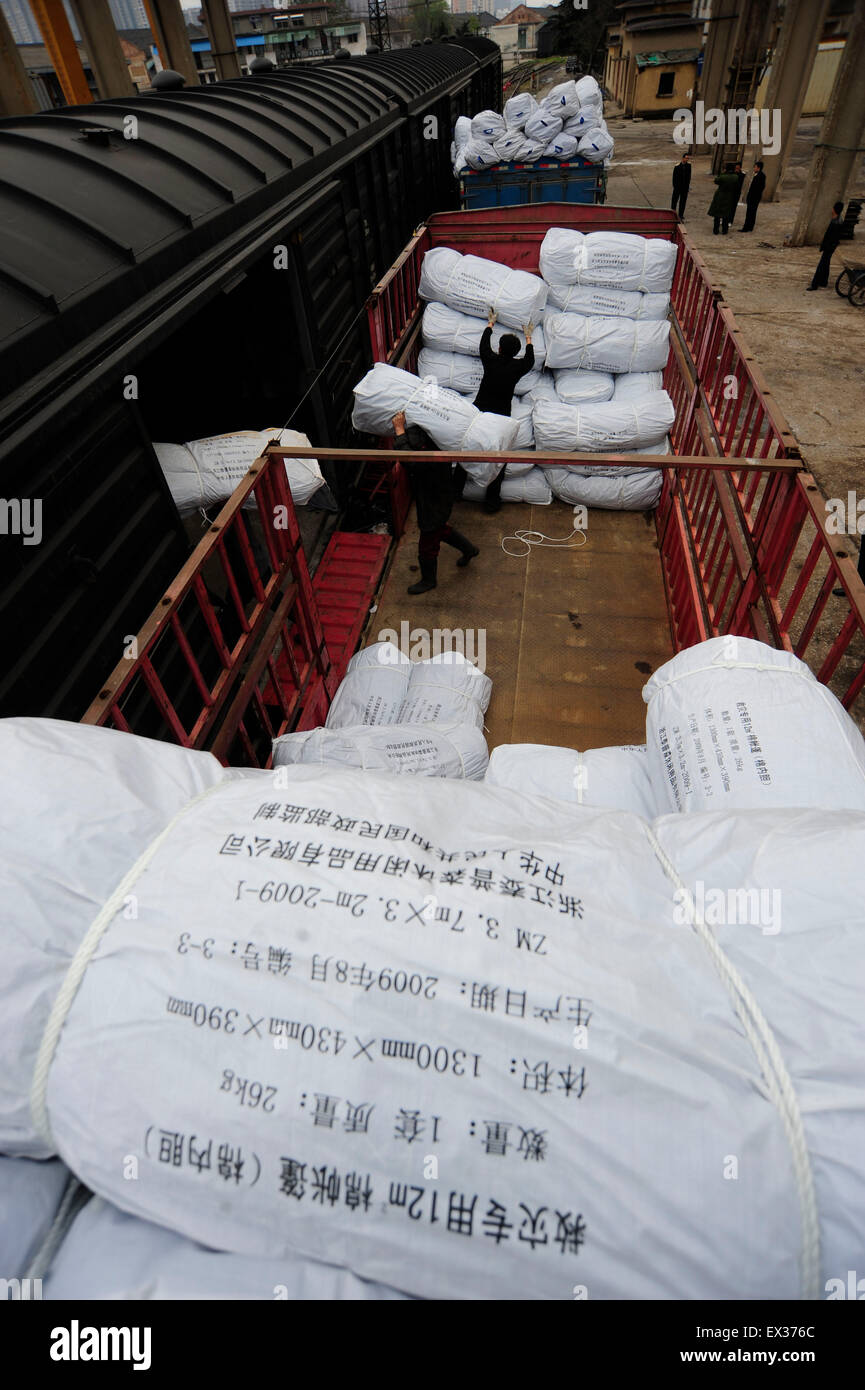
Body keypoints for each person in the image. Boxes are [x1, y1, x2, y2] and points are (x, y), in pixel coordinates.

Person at [391, 411, 478, 594]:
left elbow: (412, 461)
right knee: (441, 529)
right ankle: (469, 549)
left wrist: (399, 430)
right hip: (437, 495)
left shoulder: (431, 453)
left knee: (428, 542)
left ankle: (428, 580)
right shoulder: (440, 438)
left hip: (434, 500)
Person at [470, 309, 535, 513]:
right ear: (516, 353)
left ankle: (456, 488)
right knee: (499, 457)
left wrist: (490, 324)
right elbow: (530, 360)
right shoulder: (517, 368)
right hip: (500, 416)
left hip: (479, 412)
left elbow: (483, 346)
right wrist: (529, 338)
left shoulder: (490, 360)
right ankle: (492, 501)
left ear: (498, 348)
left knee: (469, 448)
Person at [806, 201, 846, 290]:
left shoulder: (836, 222)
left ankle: (814, 284)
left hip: (829, 247)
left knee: (821, 265)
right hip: (830, 246)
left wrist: (825, 246)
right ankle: (824, 282)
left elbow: (831, 237)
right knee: (826, 263)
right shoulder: (837, 220)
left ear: (834, 210)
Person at [708, 162, 740, 235]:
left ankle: (716, 230)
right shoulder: (735, 177)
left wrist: (722, 173)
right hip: (729, 197)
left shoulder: (723, 177)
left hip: (720, 196)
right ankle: (724, 230)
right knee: (726, 215)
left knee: (717, 215)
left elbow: (716, 180)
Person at [740, 160, 766, 233]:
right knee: (752, 212)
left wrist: (752, 195)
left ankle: (746, 227)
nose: (754, 168)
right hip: (753, 197)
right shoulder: (757, 175)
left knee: (750, 212)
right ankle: (750, 227)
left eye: (755, 167)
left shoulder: (761, 176)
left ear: (758, 168)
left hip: (754, 197)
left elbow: (760, 187)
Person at [671, 152, 691, 219]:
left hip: (684, 188)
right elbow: (674, 178)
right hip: (677, 187)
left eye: (688, 158)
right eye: (686, 158)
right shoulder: (677, 166)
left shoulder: (689, 166)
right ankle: (672, 213)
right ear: (683, 158)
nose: (687, 159)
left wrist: (687, 187)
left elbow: (689, 177)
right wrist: (675, 186)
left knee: (683, 202)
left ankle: (681, 215)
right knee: (674, 201)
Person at [730, 160, 745, 225]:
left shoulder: (742, 175)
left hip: (736, 193)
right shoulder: (732, 173)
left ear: (740, 168)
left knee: (733, 208)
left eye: (738, 168)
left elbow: (739, 184)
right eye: (736, 168)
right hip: (730, 193)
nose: (736, 169)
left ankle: (730, 220)